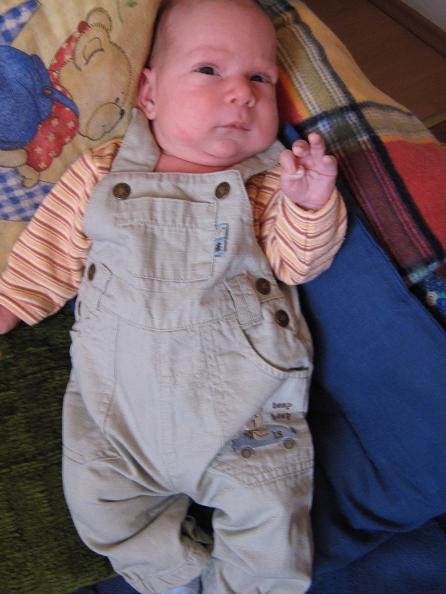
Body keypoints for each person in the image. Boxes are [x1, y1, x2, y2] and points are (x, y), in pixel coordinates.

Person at [0, 0, 347, 592]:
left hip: (245, 415)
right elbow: (51, 252)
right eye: (209, 70)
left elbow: (297, 261)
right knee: (101, 510)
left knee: (272, 528)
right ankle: (175, 580)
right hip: (117, 416)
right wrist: (10, 303)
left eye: (260, 78)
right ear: (149, 94)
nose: (241, 93)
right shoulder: (105, 171)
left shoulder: (266, 181)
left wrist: (311, 204)